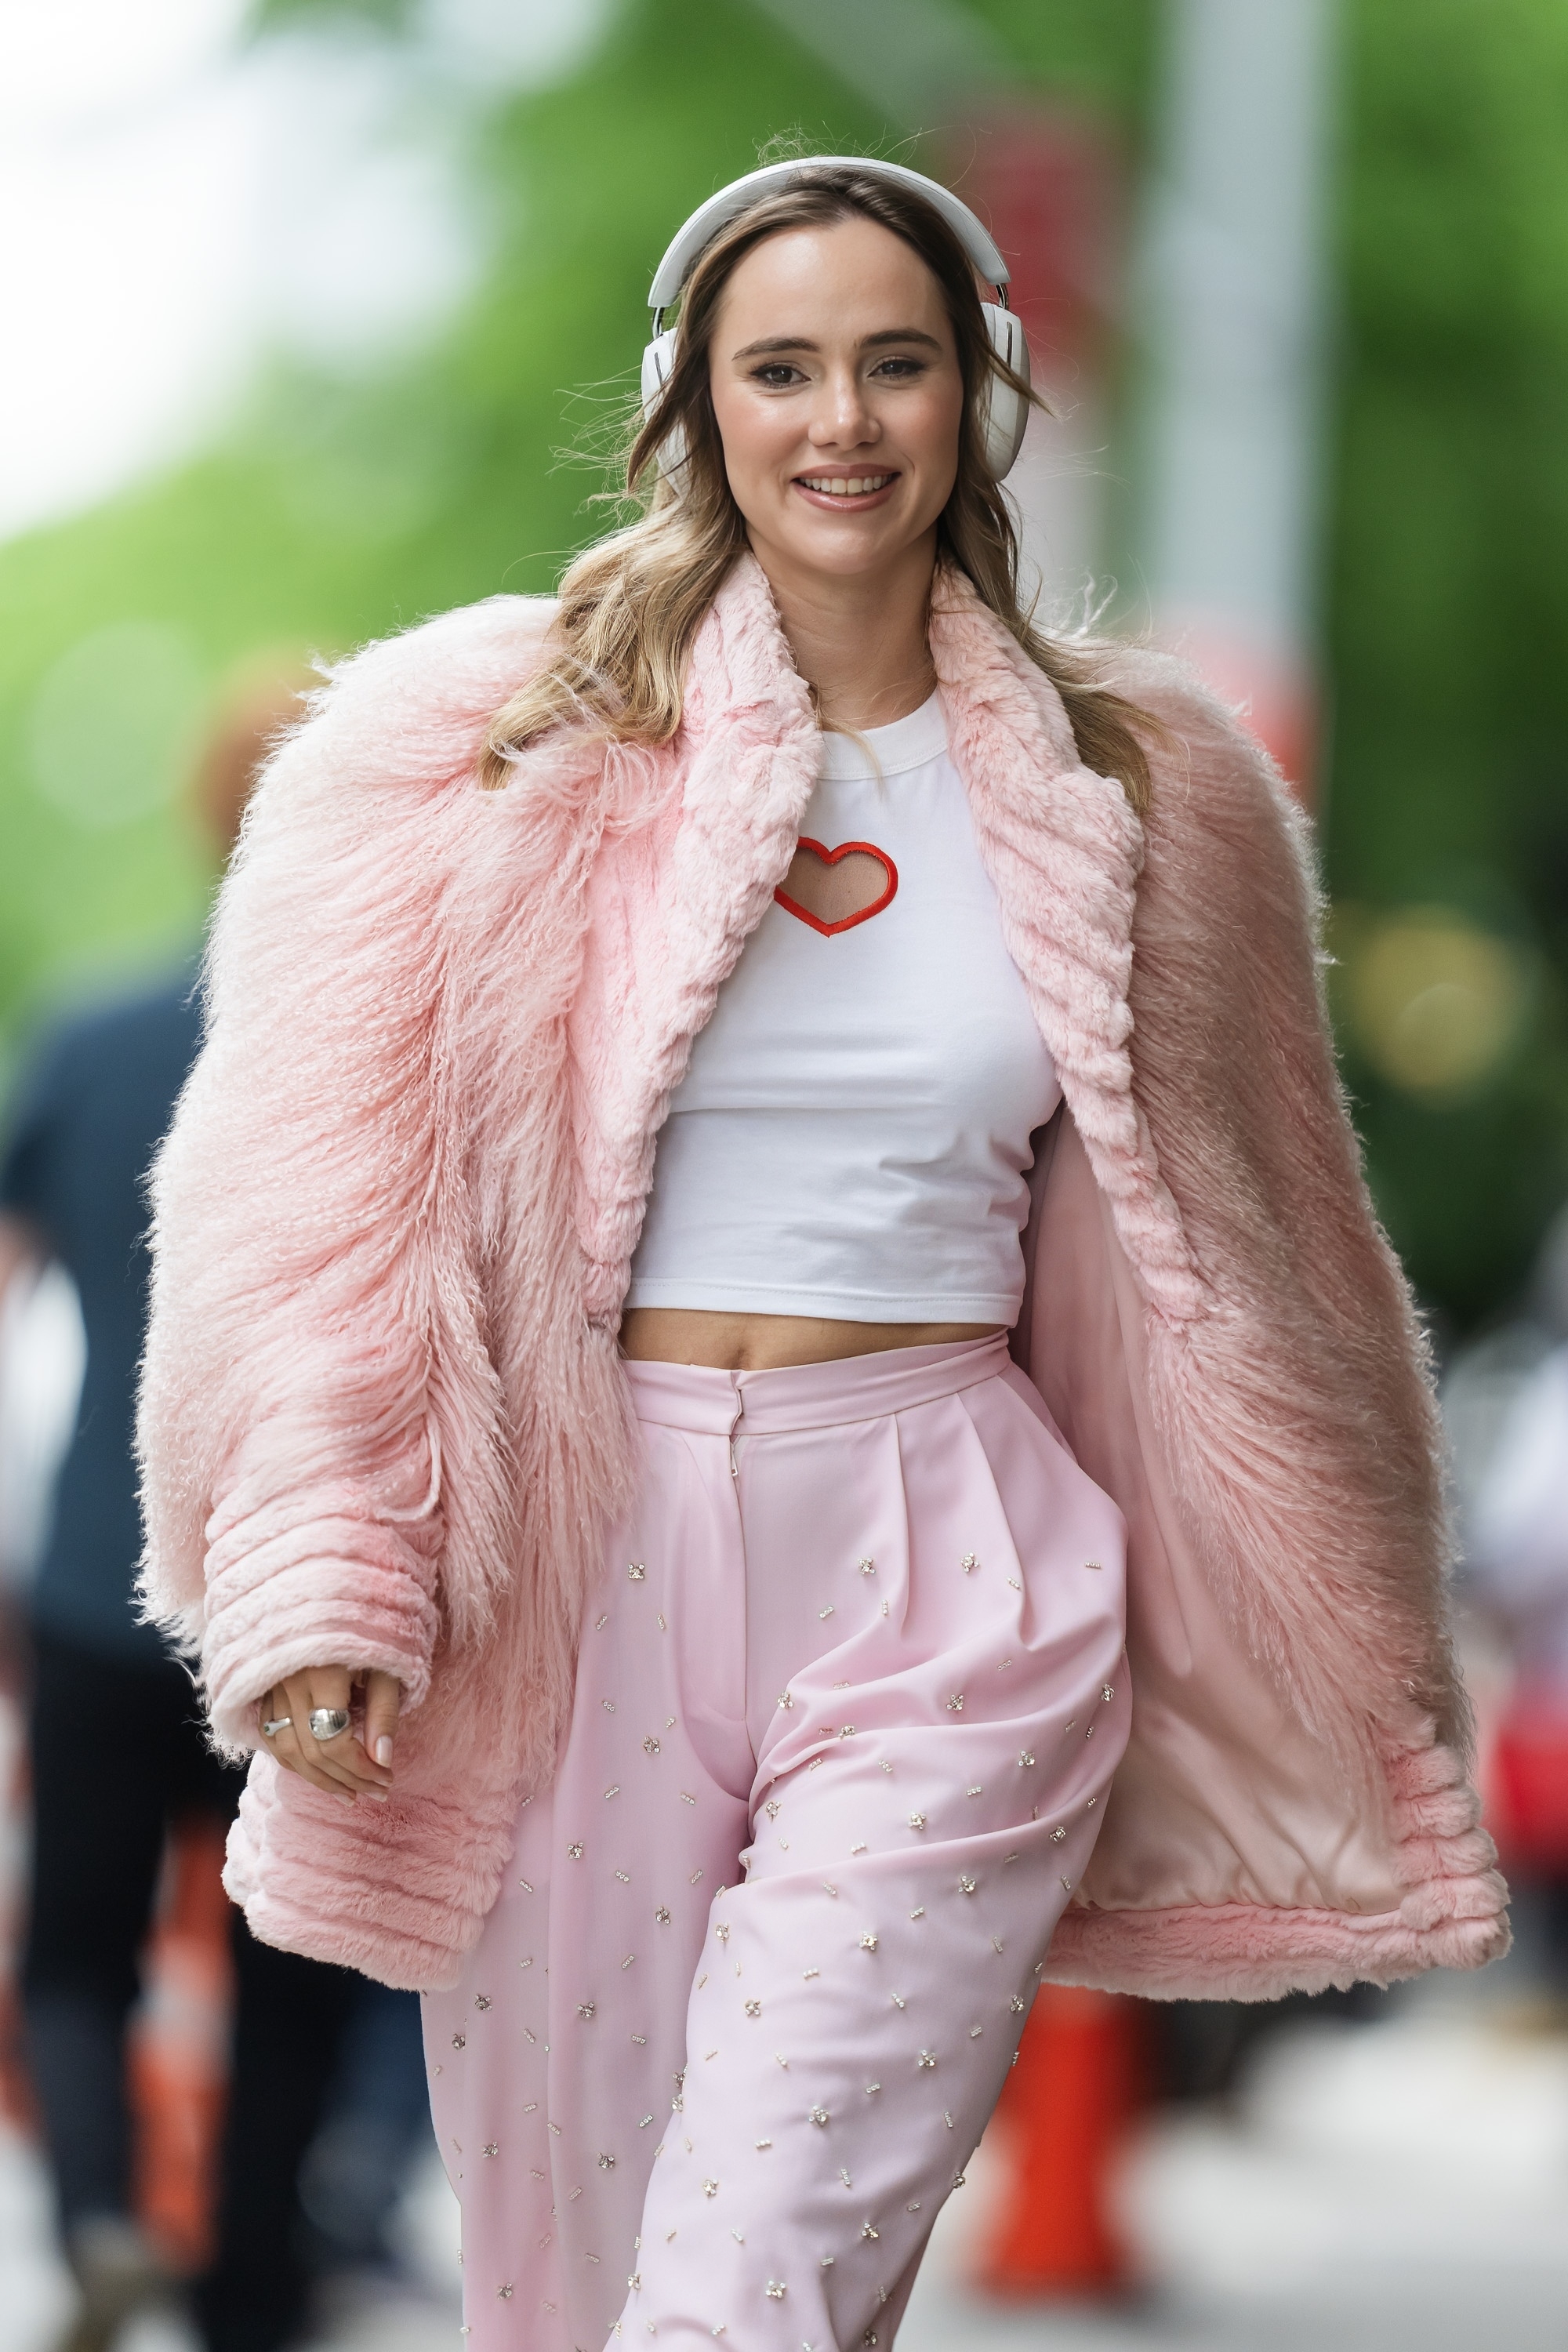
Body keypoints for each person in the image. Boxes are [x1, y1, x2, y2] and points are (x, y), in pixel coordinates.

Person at [136, 158, 1507, 2352]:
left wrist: (1344, 1607)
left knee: (755, 2278)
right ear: (696, 406)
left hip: (953, 1556)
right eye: (782, 368)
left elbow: (1277, 1267)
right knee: (578, 2300)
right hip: (587, 1563)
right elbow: (308, 1197)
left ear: (979, 396)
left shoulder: (1143, 784)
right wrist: (330, 1552)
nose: (841, 420)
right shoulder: (470, 752)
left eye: (898, 361)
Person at [0, 673, 365, 2352]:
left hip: (93, 1583)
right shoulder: (378, 1062)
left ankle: (91, 2214)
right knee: (296, 1969)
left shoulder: (89, 1037)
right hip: (304, 1594)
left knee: (79, 1950)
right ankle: (250, 2293)